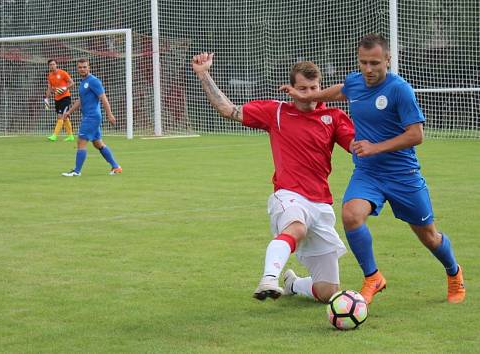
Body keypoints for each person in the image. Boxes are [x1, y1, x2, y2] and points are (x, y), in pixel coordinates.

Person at [280, 33, 465, 304]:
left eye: (375, 63)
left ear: (387, 59)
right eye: (363, 62)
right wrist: (309, 94)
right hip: (368, 173)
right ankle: (373, 277)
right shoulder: (356, 82)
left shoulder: (399, 90)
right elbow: (341, 90)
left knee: (429, 237)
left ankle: (454, 272)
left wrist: (375, 147)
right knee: (351, 215)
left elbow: (416, 135)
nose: (368, 69)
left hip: (403, 175)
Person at [192, 53, 355, 303]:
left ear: (321, 88)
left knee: (327, 292)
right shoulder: (276, 112)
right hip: (288, 195)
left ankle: (293, 283)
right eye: (302, 88)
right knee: (296, 228)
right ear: (291, 89)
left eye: (313, 88)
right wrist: (204, 73)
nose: (308, 94)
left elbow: (358, 147)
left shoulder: (333, 117)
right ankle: (269, 279)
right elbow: (229, 109)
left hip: (321, 205)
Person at [61, 58, 122, 177]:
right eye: (80, 67)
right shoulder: (83, 82)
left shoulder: (93, 81)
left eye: (84, 67)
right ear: (77, 68)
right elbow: (81, 100)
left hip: (92, 117)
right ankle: (116, 167)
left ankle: (76, 171)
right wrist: (69, 112)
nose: (82, 69)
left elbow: (103, 98)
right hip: (90, 117)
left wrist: (109, 114)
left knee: (81, 142)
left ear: (89, 67)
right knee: (98, 143)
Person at [45, 59, 75, 142]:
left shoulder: (63, 73)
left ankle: (54, 136)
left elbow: (72, 83)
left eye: (53, 64)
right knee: (65, 117)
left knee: (60, 116)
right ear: (49, 66)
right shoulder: (50, 76)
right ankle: (70, 136)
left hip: (65, 97)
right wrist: (46, 99)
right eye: (50, 64)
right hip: (57, 98)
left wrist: (65, 88)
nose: (52, 66)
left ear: (56, 65)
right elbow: (49, 88)